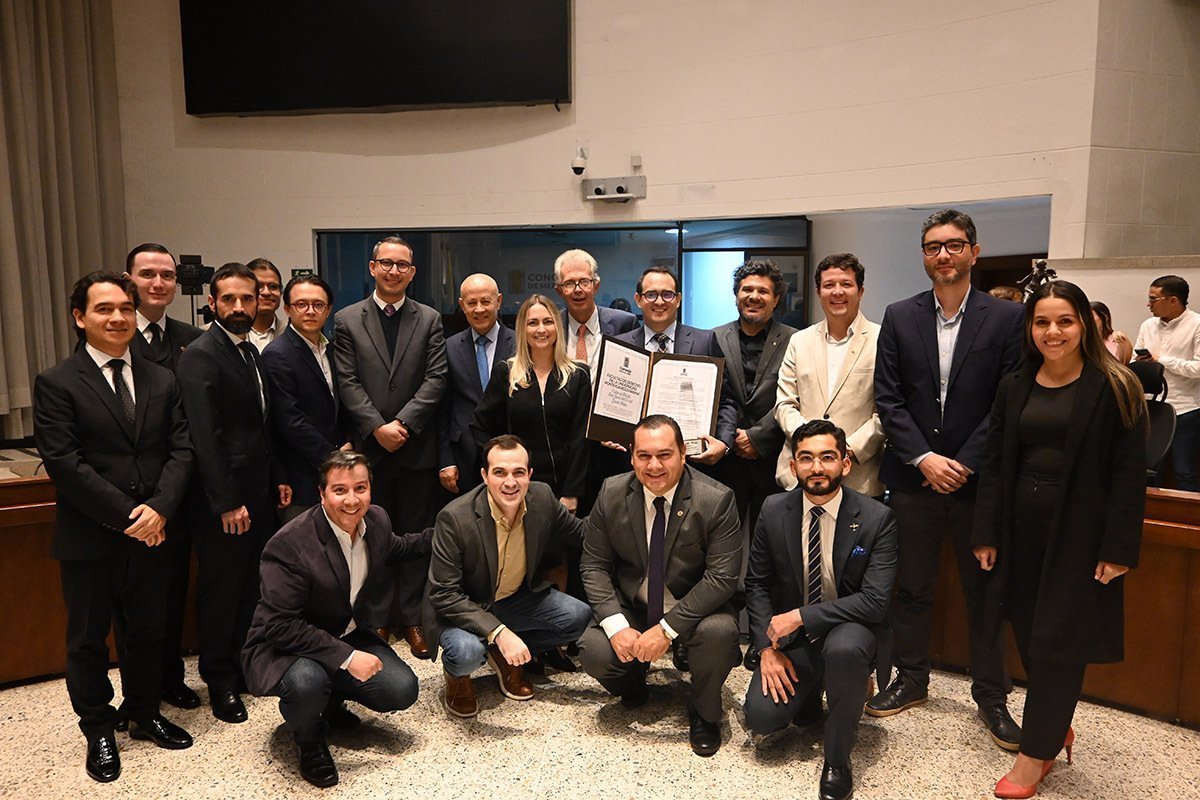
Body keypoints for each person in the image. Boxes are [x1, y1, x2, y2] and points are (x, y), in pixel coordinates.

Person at [972, 281, 1147, 798]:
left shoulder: (1117, 385)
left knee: (1059, 646)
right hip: (1019, 532)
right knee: (1028, 635)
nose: (1053, 332)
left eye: (1064, 321)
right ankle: (1055, 727)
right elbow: (995, 464)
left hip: (1081, 536)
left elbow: (1128, 474)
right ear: (1030, 328)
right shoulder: (1015, 385)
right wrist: (985, 531)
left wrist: (1118, 549)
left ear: (1085, 325)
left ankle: (1034, 756)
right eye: (1042, 322)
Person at [868, 209, 1025, 751]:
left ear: (974, 252)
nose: (944, 255)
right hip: (913, 481)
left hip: (977, 483)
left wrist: (962, 462)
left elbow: (1009, 400)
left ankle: (992, 696)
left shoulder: (1006, 319)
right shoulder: (898, 314)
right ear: (924, 255)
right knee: (910, 587)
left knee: (986, 592)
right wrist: (924, 460)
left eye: (954, 245)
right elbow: (887, 397)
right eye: (933, 246)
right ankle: (911, 680)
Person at [34, 272, 195, 782]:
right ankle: (99, 728)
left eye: (125, 307)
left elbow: (182, 450)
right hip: (91, 536)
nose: (119, 317)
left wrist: (161, 510)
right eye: (105, 309)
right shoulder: (57, 382)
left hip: (154, 532)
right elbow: (65, 464)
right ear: (80, 317)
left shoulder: (161, 377)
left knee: (148, 631)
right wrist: (133, 517)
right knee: (87, 639)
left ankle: (145, 712)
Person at [242, 450, 432, 788]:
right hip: (287, 645)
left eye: (360, 488)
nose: (351, 500)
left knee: (401, 689)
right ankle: (309, 739)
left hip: (343, 633)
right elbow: (280, 625)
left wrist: (446, 533)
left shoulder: (376, 521)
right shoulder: (290, 544)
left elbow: (398, 548)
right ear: (321, 493)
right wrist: (346, 657)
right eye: (340, 490)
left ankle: (328, 703)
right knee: (307, 683)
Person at [743, 420, 897, 800]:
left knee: (843, 651)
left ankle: (837, 759)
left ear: (845, 464)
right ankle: (812, 694)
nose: (817, 468)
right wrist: (766, 649)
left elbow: (874, 601)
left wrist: (800, 616)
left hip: (852, 627)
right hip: (794, 636)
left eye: (827, 458)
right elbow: (757, 584)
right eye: (806, 459)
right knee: (762, 718)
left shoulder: (878, 519)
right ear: (793, 466)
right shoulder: (773, 509)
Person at [579, 415, 742, 757]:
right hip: (635, 606)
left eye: (665, 455)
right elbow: (593, 566)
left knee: (720, 635)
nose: (654, 465)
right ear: (632, 456)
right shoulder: (611, 491)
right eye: (644, 455)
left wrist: (667, 630)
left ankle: (703, 711)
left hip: (692, 609)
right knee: (594, 649)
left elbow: (722, 578)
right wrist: (616, 626)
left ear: (683, 453)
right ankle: (633, 680)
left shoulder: (717, 499)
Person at [177, 262, 291, 724]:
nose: (240, 307)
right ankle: (219, 680)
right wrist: (226, 502)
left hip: (259, 494)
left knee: (251, 586)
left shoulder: (250, 352)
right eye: (230, 299)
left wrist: (278, 476)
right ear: (212, 303)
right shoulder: (201, 355)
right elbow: (205, 436)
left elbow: (264, 428)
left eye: (248, 298)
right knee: (221, 591)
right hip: (224, 503)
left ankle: (245, 667)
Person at [332, 235, 447, 658]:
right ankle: (376, 619)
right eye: (387, 263)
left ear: (412, 272)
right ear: (372, 267)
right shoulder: (346, 320)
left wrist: (404, 424)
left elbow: (436, 379)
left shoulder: (431, 318)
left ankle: (414, 618)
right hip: (370, 453)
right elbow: (346, 380)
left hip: (416, 450)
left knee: (415, 538)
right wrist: (378, 427)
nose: (394, 271)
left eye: (402, 265)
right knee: (371, 535)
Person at [425, 435, 592, 718]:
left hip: (513, 599)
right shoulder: (455, 518)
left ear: (529, 474)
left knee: (578, 617)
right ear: (484, 475)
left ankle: (501, 654)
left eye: (518, 472)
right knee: (466, 653)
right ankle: (458, 677)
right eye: (499, 472)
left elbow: (584, 536)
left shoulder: (542, 498)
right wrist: (499, 632)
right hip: (463, 609)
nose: (510, 482)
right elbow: (444, 594)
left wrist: (620, 501)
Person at [122, 242, 204, 711]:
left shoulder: (191, 337)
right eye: (148, 274)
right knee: (133, 604)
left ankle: (171, 677)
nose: (158, 283)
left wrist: (170, 497)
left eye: (167, 275)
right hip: (130, 499)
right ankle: (138, 693)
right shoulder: (111, 335)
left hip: (180, 489)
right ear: (129, 277)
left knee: (174, 593)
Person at [775, 253, 885, 498]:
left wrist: (845, 450)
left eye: (846, 284)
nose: (837, 292)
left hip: (858, 478)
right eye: (829, 285)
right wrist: (812, 449)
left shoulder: (882, 340)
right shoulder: (799, 341)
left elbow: (886, 411)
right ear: (818, 291)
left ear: (861, 290)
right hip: (800, 477)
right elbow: (784, 405)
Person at [472, 294, 591, 513]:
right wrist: (500, 470)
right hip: (518, 489)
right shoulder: (506, 373)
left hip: (567, 491)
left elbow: (580, 438)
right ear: (522, 330)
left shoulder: (578, 375)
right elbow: (480, 425)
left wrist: (572, 492)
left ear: (557, 325)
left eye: (548, 322)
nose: (541, 330)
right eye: (533, 323)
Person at [614, 267, 739, 465]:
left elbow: (726, 401)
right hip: (636, 461)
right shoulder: (620, 347)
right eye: (651, 295)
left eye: (667, 294)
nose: (660, 301)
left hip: (694, 460)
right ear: (638, 300)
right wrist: (607, 431)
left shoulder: (704, 341)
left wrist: (723, 442)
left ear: (678, 299)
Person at [711, 259, 798, 543]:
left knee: (772, 545)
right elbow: (714, 393)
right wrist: (733, 436)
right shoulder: (713, 338)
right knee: (721, 544)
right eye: (746, 289)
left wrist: (757, 438)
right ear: (736, 296)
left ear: (776, 300)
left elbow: (796, 396)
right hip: (725, 461)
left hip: (772, 459)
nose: (753, 296)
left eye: (763, 291)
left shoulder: (796, 340)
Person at [261, 275, 346, 521]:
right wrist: (334, 457)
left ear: (329, 309)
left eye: (318, 305)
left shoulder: (333, 350)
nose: (310, 311)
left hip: (338, 469)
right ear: (287, 309)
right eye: (301, 304)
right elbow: (290, 420)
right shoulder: (277, 354)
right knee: (306, 551)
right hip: (302, 475)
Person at [437, 274, 515, 497]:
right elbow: (442, 409)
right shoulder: (448, 348)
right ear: (462, 306)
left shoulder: (520, 345)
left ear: (498, 301)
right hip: (463, 458)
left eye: (486, 301)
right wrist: (445, 461)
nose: (479, 309)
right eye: (471, 303)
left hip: (510, 454)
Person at [1134, 275, 1200, 491]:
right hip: (1153, 406)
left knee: (1184, 469)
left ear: (1173, 300)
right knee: (1150, 467)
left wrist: (1161, 360)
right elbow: (1136, 361)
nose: (1148, 304)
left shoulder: (1196, 324)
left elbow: (1198, 369)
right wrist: (1144, 362)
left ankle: (1187, 520)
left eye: (1153, 299)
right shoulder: (1148, 325)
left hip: (1187, 408)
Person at [554, 248, 638, 376]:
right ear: (560, 291)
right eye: (569, 283)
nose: (578, 289)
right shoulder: (551, 326)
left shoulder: (625, 324)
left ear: (596, 286)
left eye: (584, 282)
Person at [245, 258, 286, 352]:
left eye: (273, 287)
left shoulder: (293, 334)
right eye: (258, 286)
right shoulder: (221, 334)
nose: (266, 292)